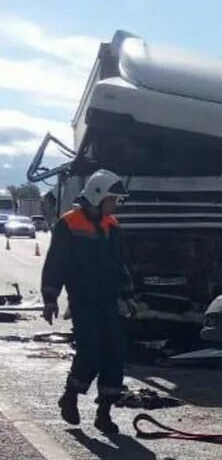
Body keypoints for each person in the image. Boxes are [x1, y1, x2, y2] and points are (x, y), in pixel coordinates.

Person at [41, 169, 135, 434]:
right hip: (83, 302)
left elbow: (121, 266)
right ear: (98, 195)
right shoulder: (69, 224)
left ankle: (103, 413)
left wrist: (129, 298)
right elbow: (55, 263)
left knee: (115, 355)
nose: (116, 205)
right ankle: (70, 396)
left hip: (109, 302)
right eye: (113, 199)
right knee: (91, 354)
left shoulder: (112, 226)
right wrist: (50, 298)